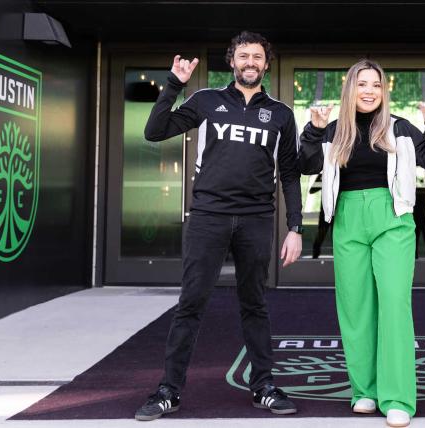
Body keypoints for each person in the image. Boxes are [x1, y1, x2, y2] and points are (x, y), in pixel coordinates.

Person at [135, 31, 303, 421]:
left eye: (257, 56)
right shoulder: (207, 100)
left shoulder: (280, 114)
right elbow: (154, 130)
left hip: (257, 220)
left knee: (255, 305)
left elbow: (291, 173)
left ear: (266, 63)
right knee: (191, 304)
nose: (250, 62)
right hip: (208, 217)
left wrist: (295, 227)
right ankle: (168, 391)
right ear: (232, 61)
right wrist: (174, 84)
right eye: (243, 55)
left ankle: (263, 386)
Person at [298, 59, 425, 427]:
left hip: (391, 216)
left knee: (394, 304)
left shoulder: (398, 127)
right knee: (355, 307)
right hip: (348, 218)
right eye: (362, 84)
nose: (369, 91)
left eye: (376, 85)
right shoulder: (334, 130)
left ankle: (397, 397)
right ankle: (364, 391)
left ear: (384, 91)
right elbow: (304, 164)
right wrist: (314, 130)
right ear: (350, 88)